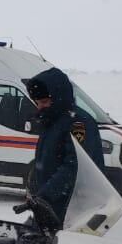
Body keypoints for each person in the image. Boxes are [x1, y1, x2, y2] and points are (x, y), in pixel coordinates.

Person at [23, 67, 79, 226]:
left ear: (59, 98)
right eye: (38, 103)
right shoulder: (51, 123)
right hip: (47, 208)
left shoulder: (77, 123)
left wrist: (45, 195)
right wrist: (33, 189)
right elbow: (44, 161)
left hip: (66, 209)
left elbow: (73, 167)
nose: (40, 107)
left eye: (45, 102)